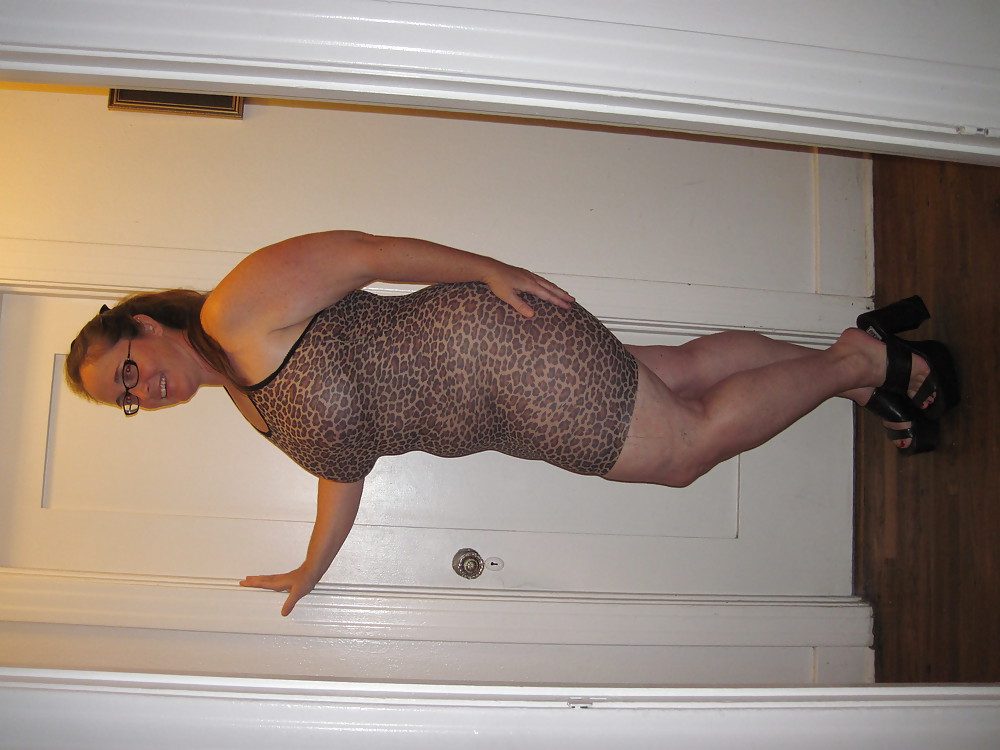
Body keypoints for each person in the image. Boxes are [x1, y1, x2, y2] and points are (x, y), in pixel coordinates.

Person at [66, 231, 958, 615]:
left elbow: (365, 254)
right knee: (682, 375)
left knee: (684, 449)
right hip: (501, 395)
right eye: (127, 400)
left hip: (497, 355)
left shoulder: (231, 311)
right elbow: (346, 465)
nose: (145, 392)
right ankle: (856, 376)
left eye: (128, 370)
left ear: (144, 323)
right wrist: (312, 566)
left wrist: (488, 268)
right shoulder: (245, 396)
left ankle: (863, 362)